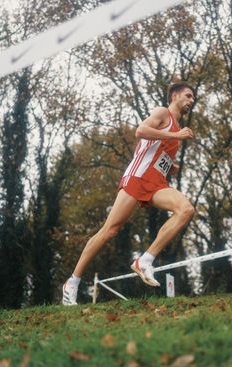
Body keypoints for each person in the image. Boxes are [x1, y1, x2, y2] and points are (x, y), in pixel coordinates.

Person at [62, 82, 196, 305]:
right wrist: (176, 137)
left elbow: (150, 151)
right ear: (174, 95)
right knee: (109, 231)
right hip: (137, 178)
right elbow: (141, 131)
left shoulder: (177, 130)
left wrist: (169, 166)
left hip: (156, 183)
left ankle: (145, 261)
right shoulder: (163, 114)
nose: (191, 101)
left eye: (193, 98)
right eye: (188, 96)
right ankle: (72, 282)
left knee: (186, 210)